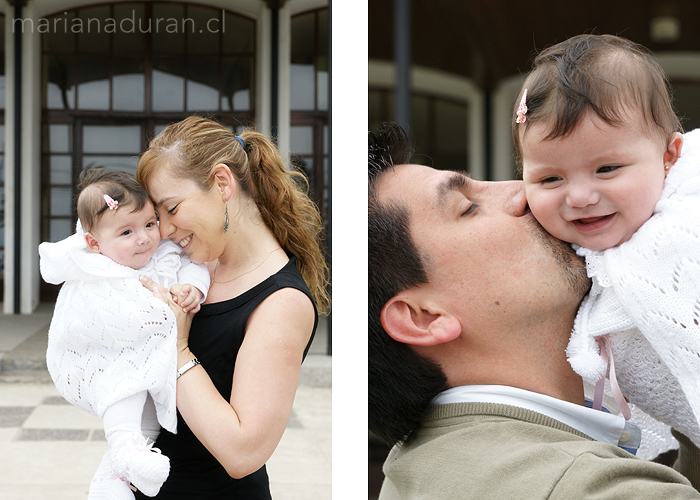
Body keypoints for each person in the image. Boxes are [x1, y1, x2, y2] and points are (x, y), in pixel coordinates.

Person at [368, 121, 700, 499]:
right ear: (423, 317)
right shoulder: (587, 489)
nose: (524, 192)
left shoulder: (424, 469)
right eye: (469, 208)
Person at [516, 34, 700, 451]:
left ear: (669, 155)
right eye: (550, 179)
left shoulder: (686, 227)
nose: (579, 197)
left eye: (607, 168)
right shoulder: (550, 258)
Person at [132, 116, 330, 499]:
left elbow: (243, 452)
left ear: (222, 183)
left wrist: (177, 349)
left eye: (172, 208)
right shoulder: (197, 268)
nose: (166, 231)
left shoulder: (282, 302)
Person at [39, 168, 211, 499]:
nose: (144, 238)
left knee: (144, 432)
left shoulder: (166, 252)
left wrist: (193, 288)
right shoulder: (95, 269)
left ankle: (110, 481)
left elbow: (195, 266)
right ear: (94, 243)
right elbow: (84, 317)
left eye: (149, 224)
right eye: (126, 232)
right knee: (125, 398)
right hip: (118, 359)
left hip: (158, 362)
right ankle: (124, 452)